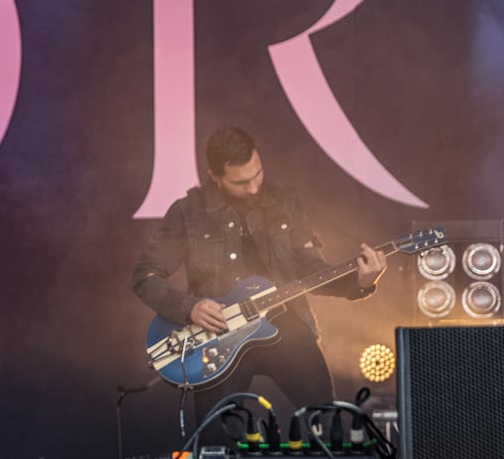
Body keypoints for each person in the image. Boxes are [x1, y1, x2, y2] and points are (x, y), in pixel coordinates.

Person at [131, 125, 387, 437]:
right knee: (219, 443)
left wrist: (359, 283)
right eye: (240, 182)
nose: (253, 188)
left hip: (285, 323)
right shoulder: (187, 212)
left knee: (329, 422)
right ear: (215, 175)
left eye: (258, 174)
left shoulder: (285, 201)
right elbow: (145, 276)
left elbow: (309, 269)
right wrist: (190, 307)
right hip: (217, 338)